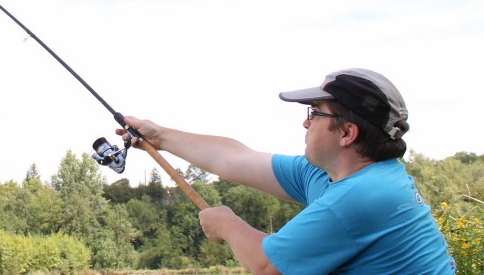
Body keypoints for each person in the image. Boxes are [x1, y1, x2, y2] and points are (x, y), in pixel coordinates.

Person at [118, 68, 456, 274]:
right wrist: (159, 136)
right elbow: (235, 158)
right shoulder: (330, 174)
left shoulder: (361, 196)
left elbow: (269, 267)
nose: (305, 121)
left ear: (347, 133)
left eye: (315, 113)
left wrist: (228, 224)